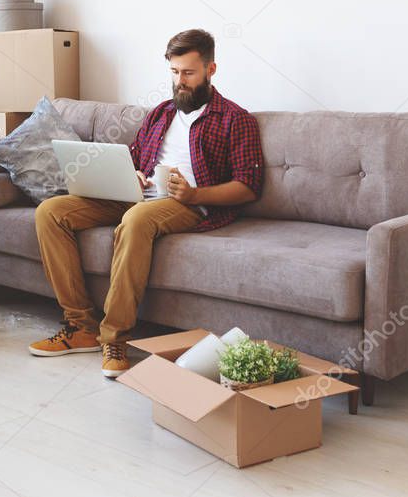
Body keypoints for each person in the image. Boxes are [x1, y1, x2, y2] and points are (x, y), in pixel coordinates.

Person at [28, 29, 265, 377]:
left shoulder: (235, 119)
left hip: (188, 204)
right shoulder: (161, 114)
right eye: (174, 72)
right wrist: (134, 175)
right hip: (139, 195)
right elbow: (138, 158)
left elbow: (248, 186)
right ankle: (81, 327)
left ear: (211, 70)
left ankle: (115, 338)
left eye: (188, 73)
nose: (179, 81)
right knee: (51, 211)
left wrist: (194, 194)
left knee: (138, 219)